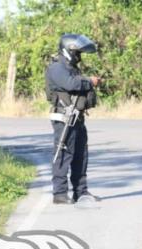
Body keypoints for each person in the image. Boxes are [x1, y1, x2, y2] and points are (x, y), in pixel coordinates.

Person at [45, 33, 102, 205]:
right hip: (64, 118)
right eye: (77, 52)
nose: (79, 56)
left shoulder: (70, 67)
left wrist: (87, 81)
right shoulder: (56, 67)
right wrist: (90, 81)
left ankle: (81, 192)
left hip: (77, 118)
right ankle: (60, 193)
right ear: (69, 50)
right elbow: (71, 84)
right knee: (63, 154)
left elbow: (76, 81)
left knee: (80, 156)